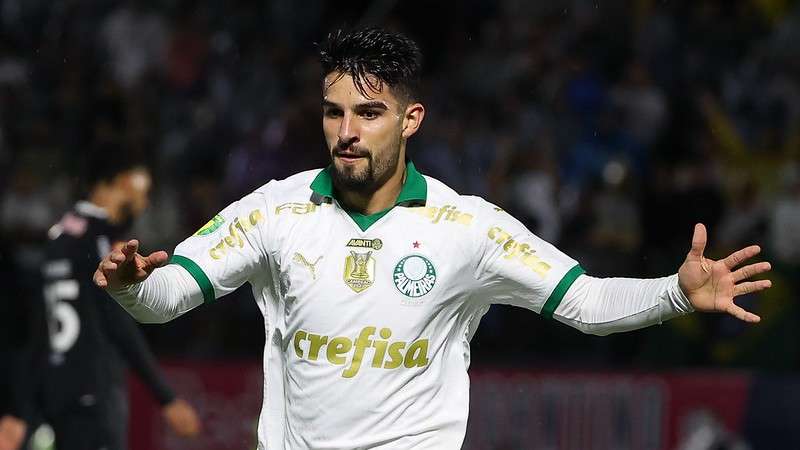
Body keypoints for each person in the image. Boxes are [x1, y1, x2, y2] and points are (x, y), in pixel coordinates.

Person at [94, 28, 772, 449]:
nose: (347, 131)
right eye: (334, 112)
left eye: (369, 112)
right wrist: (134, 288)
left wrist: (675, 295)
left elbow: (585, 303)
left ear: (411, 118)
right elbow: (167, 298)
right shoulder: (275, 210)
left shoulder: (468, 228)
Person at [20, 155, 202, 450]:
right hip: (93, 388)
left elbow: (38, 326)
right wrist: (166, 397)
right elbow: (116, 322)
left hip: (58, 390)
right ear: (119, 182)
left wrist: (23, 407)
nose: (144, 201)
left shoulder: (60, 234)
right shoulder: (101, 241)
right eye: (142, 188)